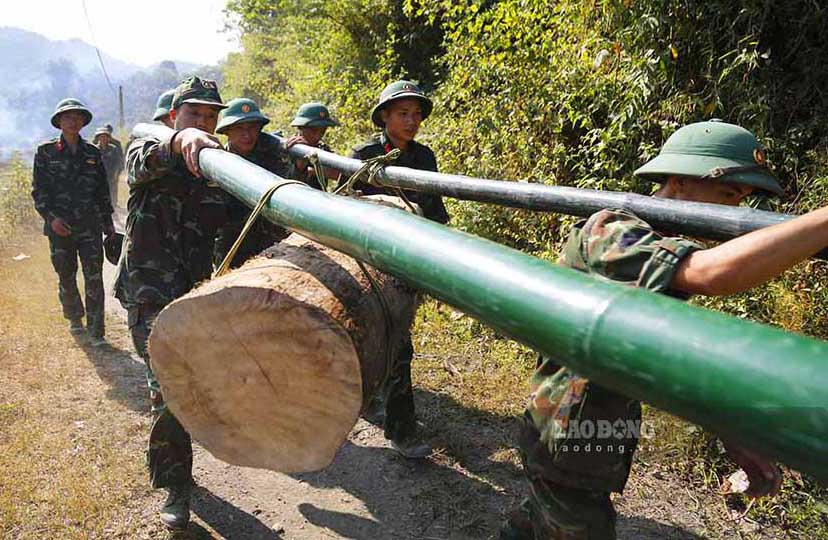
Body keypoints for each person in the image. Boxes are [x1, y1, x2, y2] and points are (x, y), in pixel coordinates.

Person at [499, 119, 828, 539]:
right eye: (729, 195)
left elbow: (674, 354)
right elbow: (715, 272)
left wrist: (732, 435)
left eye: (742, 200)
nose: (733, 212)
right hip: (565, 438)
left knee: (543, 517)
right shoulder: (613, 231)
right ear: (678, 183)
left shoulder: (660, 248)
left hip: (591, 432)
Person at [114, 76, 229, 531]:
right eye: (193, 113)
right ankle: (176, 486)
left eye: (209, 115)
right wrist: (180, 140)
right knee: (169, 387)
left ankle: (181, 463)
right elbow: (142, 159)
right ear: (173, 117)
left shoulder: (218, 171)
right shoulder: (149, 148)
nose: (203, 121)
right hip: (148, 294)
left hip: (193, 296)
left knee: (193, 383)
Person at [341, 80, 449, 459]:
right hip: (369, 265)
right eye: (403, 113)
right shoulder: (364, 154)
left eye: (417, 114)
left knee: (399, 343)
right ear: (384, 116)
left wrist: (442, 258)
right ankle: (370, 399)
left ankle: (401, 429)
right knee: (367, 338)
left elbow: (435, 212)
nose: (412, 120)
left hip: (408, 266)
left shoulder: (425, 158)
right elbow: (345, 209)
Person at [32, 98, 115, 347]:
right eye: (67, 117)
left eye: (77, 116)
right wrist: (51, 218)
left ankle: (97, 331)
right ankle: (74, 317)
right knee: (66, 275)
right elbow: (39, 192)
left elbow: (102, 190)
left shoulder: (92, 153)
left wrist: (108, 223)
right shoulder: (45, 152)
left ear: (83, 121)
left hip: (89, 225)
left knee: (94, 276)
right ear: (59, 122)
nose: (73, 120)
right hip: (60, 228)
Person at [213, 97, 295, 268]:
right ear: (227, 131)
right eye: (239, 128)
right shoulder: (216, 163)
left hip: (272, 244)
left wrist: (297, 164)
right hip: (233, 247)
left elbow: (291, 195)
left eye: (252, 128)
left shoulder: (273, 156)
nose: (247, 135)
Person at [284, 102, 340, 190]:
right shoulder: (286, 150)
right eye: (313, 130)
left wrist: (316, 171)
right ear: (300, 128)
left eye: (322, 131)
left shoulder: (322, 149)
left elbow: (339, 174)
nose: (318, 136)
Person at [93, 125, 125, 205]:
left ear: (108, 138)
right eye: (101, 137)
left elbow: (118, 162)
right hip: (99, 175)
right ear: (98, 138)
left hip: (111, 174)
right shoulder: (94, 150)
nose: (103, 139)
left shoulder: (113, 149)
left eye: (105, 137)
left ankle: (113, 205)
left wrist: (116, 173)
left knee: (112, 190)